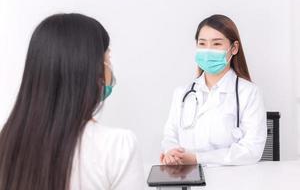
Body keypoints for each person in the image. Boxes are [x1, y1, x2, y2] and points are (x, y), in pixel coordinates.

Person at [0, 13, 144, 190]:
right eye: (107, 59)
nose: (110, 69)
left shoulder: (7, 142)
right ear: (90, 69)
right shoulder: (117, 146)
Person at [160, 14, 267, 166]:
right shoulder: (182, 93)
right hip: (187, 177)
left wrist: (197, 159)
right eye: (202, 44)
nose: (208, 50)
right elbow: (170, 135)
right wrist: (172, 153)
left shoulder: (248, 92)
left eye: (216, 44)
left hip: (235, 179)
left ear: (234, 48)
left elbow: (252, 149)